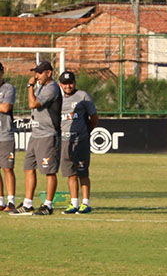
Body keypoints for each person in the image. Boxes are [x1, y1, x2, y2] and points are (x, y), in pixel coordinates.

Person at [10, 60, 62, 216]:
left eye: (39, 72)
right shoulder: (41, 87)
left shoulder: (51, 88)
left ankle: (48, 205)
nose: (36, 76)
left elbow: (33, 104)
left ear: (49, 73)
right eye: (35, 72)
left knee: (49, 171)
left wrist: (29, 86)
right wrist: (33, 87)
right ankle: (27, 204)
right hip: (36, 134)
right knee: (28, 168)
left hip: (48, 135)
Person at [58, 70, 98, 214]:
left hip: (80, 140)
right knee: (70, 173)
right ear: (60, 84)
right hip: (65, 141)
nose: (68, 86)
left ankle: (85, 203)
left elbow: (93, 117)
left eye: (70, 83)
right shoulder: (58, 99)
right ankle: (74, 203)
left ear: (75, 83)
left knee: (83, 172)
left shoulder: (83, 96)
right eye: (65, 83)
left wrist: (87, 132)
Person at [0, 61, 16, 212]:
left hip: (5, 135)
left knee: (7, 168)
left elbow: (6, 107)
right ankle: (0, 201)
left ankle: (11, 201)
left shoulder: (8, 88)